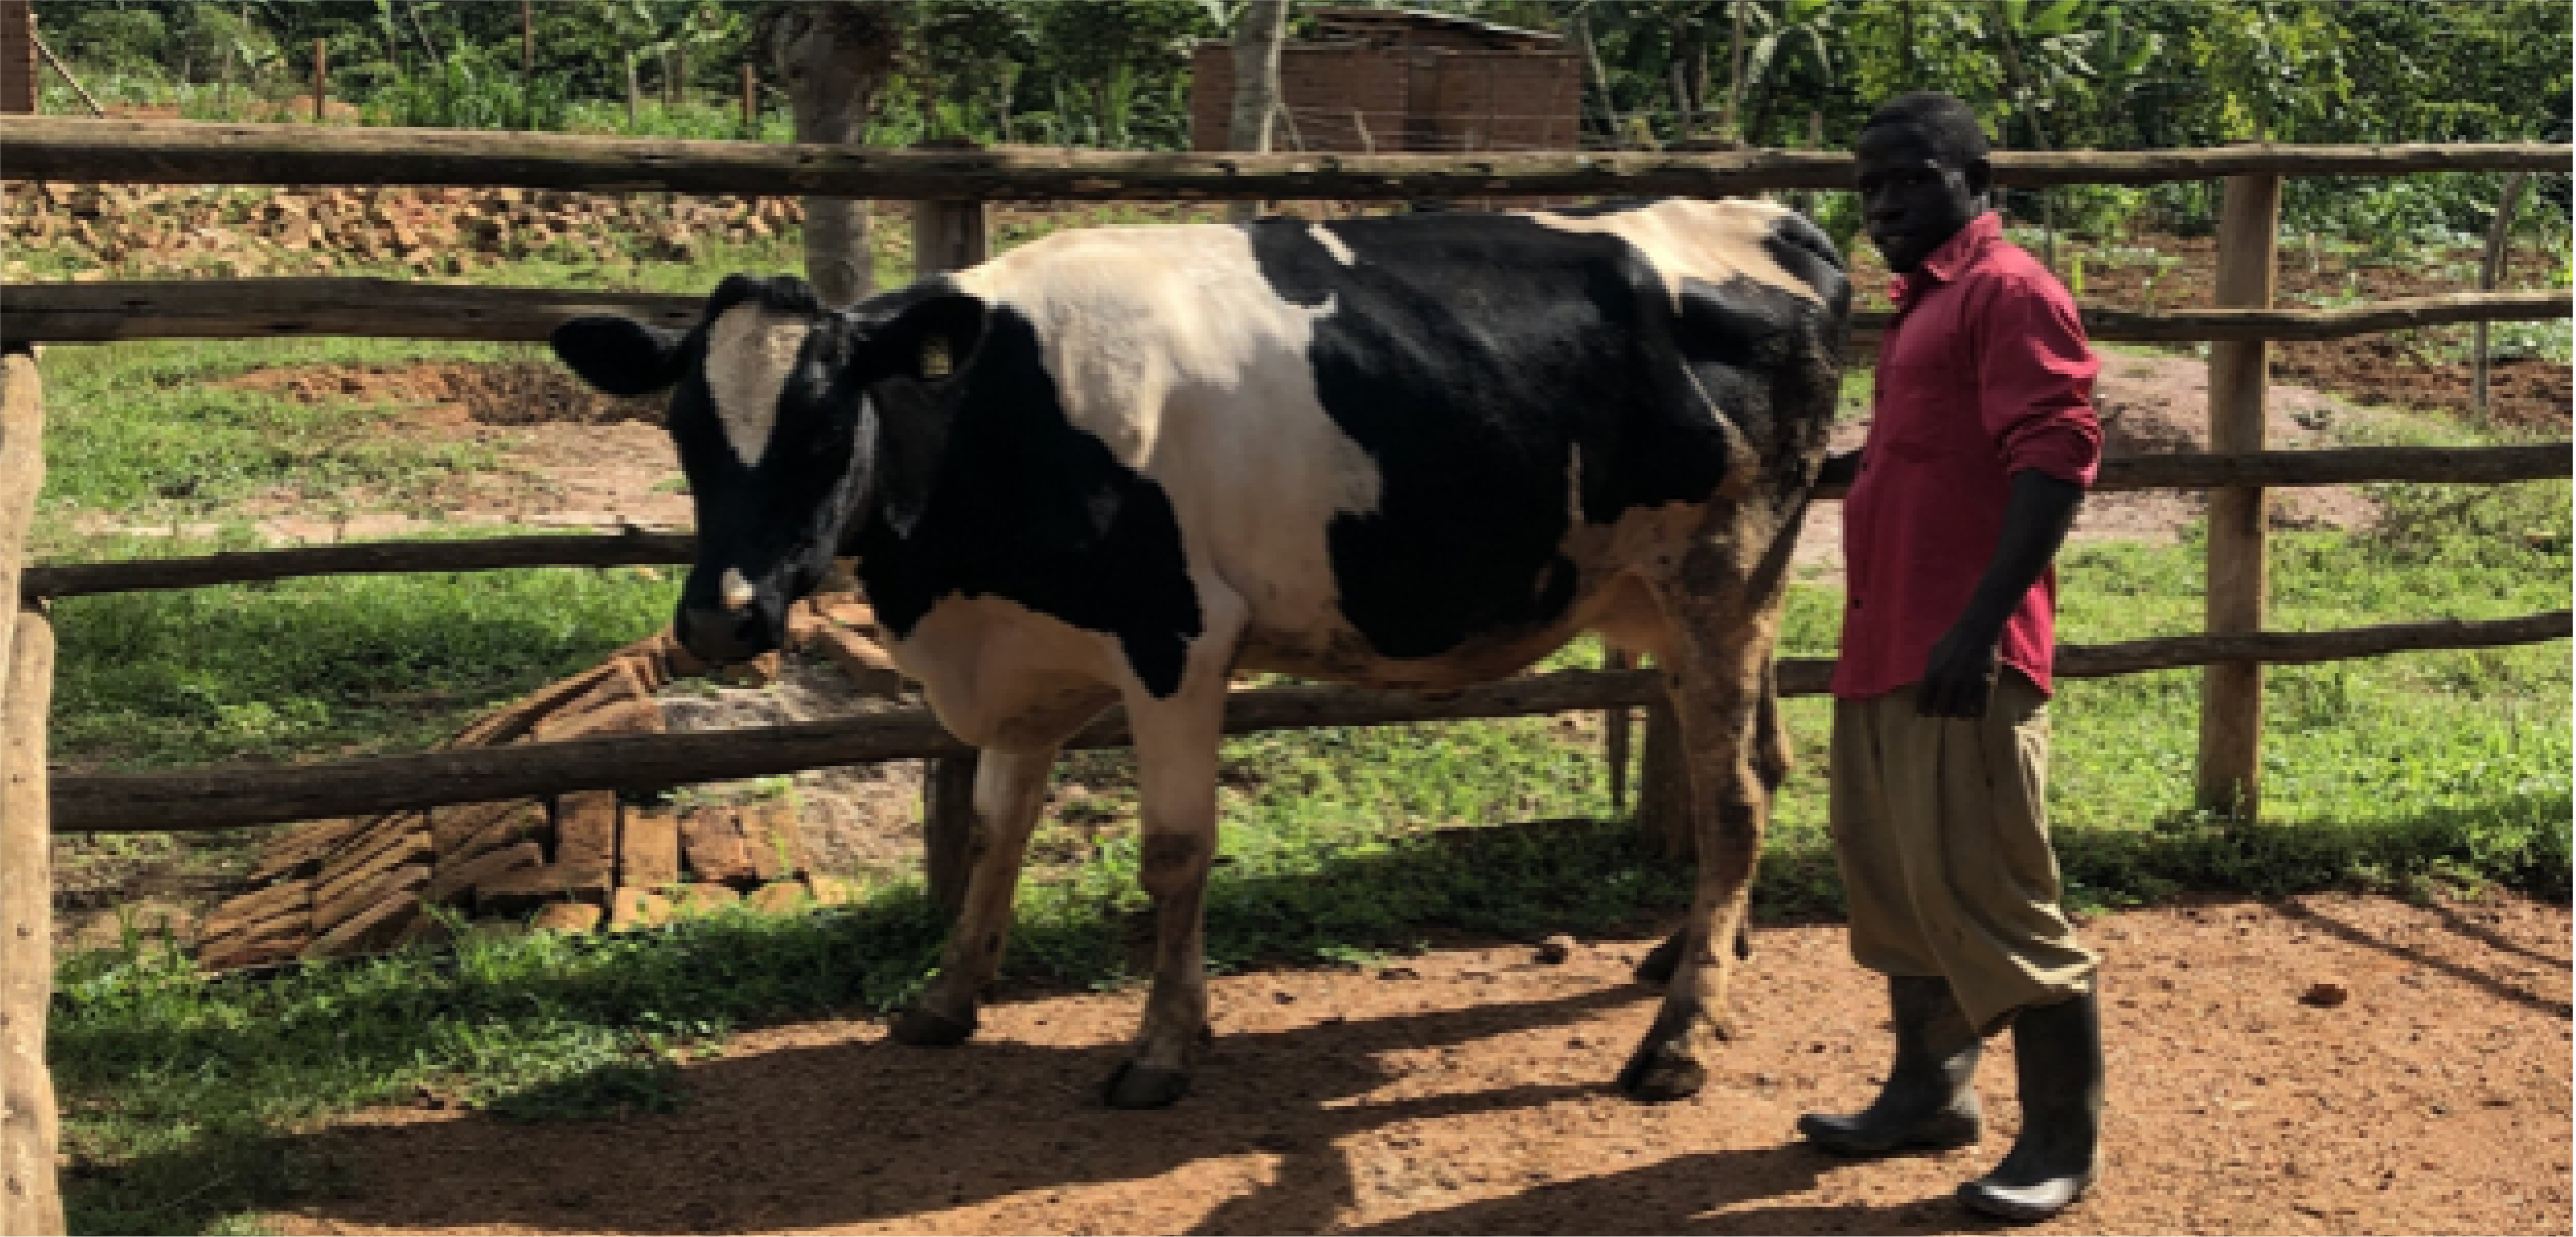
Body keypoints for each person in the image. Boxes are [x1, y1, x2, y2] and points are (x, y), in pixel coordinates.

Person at [1797, 91, 2106, 1223]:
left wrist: (1977, 626)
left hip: (1959, 650)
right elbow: (1912, 454)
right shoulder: (1919, 306)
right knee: (1895, 884)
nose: (1883, 204)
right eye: (1869, 186)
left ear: (1981, 182)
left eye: (1911, 179)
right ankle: (1927, 1092)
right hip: (1881, 644)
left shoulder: (2007, 291)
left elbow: (2058, 455)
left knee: (1994, 893)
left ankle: (2062, 1140)